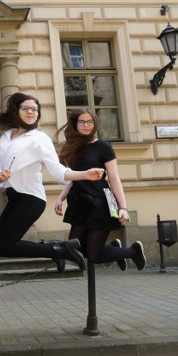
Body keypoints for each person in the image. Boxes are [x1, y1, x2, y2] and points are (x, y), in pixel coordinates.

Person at [0, 92, 105, 271]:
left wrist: (84, 174)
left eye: (35, 109)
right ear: (15, 111)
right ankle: (58, 248)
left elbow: (58, 171)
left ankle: (60, 250)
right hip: (14, 197)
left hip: (31, 199)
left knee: (5, 245)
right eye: (26, 108)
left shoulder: (39, 138)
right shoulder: (6, 137)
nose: (31, 112)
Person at [54, 107, 146, 271]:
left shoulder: (103, 147)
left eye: (90, 121)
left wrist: (123, 207)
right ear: (75, 123)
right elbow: (74, 177)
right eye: (81, 121)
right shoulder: (72, 146)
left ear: (95, 124)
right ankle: (114, 248)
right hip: (79, 203)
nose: (86, 125)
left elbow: (114, 178)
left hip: (99, 202)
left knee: (94, 256)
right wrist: (60, 198)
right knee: (76, 248)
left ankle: (133, 251)